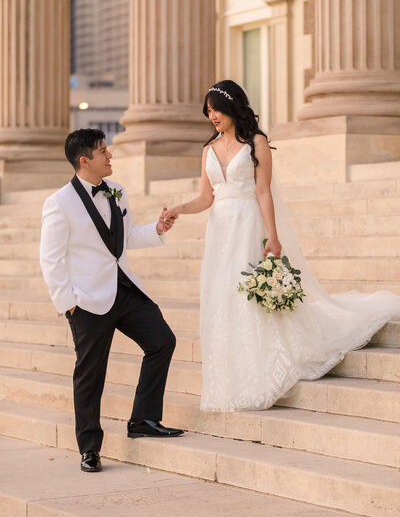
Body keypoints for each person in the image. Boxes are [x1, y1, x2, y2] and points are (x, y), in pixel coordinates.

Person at [164, 80, 400, 412]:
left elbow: (263, 191)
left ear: (233, 107)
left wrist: (273, 236)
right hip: (221, 231)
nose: (212, 116)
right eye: (208, 111)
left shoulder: (256, 142)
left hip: (249, 223)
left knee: (250, 294)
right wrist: (178, 209)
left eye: (216, 109)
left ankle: (264, 365)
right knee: (224, 298)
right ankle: (233, 376)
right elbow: (206, 197)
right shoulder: (208, 149)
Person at [40, 128, 183, 473]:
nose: (110, 155)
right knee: (90, 375)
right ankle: (89, 448)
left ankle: (143, 419)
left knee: (162, 340)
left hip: (124, 290)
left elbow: (127, 236)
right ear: (84, 160)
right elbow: (50, 259)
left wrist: (159, 228)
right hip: (87, 300)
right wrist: (69, 304)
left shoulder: (117, 191)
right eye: (104, 151)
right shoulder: (59, 203)